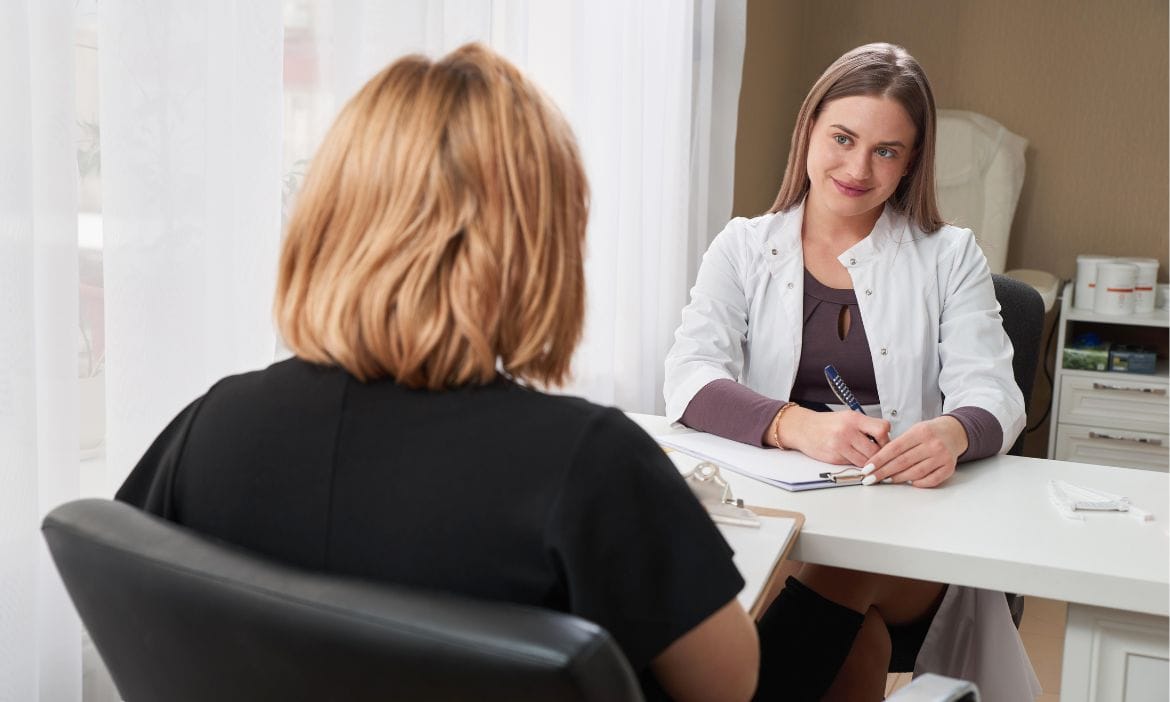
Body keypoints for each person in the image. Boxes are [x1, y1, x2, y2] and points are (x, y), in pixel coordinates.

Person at [117, 44, 760, 702]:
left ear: (330, 221)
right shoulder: (591, 463)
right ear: (536, 246)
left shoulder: (211, 427)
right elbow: (729, 684)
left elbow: (120, 588)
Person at [665, 43, 1029, 701]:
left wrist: (951, 433)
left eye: (887, 150)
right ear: (808, 130)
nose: (859, 168)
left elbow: (994, 392)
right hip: (783, 518)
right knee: (856, 642)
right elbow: (689, 376)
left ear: (911, 161)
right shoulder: (743, 247)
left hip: (911, 535)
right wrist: (794, 425)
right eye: (842, 138)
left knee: (841, 572)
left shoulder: (950, 256)